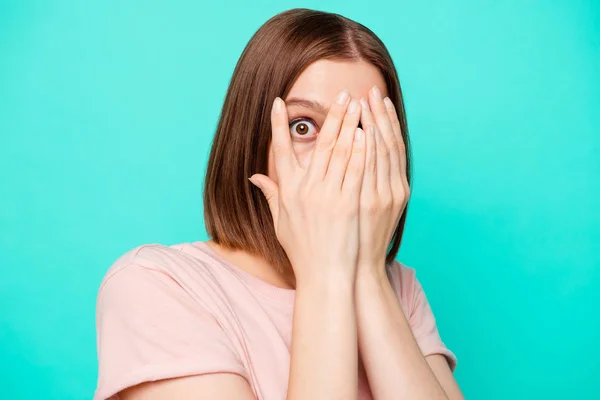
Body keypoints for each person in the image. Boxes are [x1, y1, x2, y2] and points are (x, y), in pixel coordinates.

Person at [94, 8, 464, 400]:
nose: (334, 156)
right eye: (302, 125)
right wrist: (325, 270)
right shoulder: (158, 286)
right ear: (252, 139)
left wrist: (369, 274)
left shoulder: (398, 288)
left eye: (361, 130)